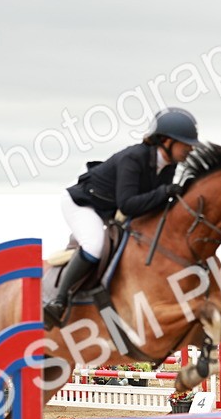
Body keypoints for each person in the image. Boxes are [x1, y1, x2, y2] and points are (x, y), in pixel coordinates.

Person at [43, 107, 199, 329]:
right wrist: (165, 192)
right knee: (94, 245)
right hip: (82, 205)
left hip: (109, 210)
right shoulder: (134, 158)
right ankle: (57, 301)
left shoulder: (168, 166)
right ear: (166, 141)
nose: (190, 149)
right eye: (186, 143)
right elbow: (128, 203)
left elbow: (153, 203)